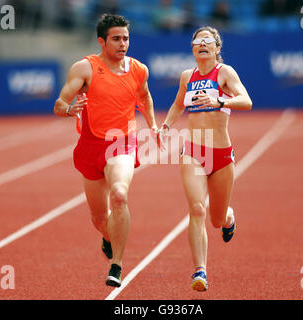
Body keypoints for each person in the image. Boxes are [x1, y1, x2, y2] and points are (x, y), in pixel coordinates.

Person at [53, 14, 159, 287]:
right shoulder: (85, 68)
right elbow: (60, 103)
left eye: (126, 38)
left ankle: (117, 265)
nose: (123, 43)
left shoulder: (139, 69)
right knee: (100, 219)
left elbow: (144, 96)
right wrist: (69, 109)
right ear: (102, 41)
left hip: (122, 142)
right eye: (116, 39)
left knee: (120, 196)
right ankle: (109, 236)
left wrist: (154, 126)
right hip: (90, 145)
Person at [159, 26, 252, 291]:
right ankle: (200, 272)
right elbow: (179, 104)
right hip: (193, 151)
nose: (202, 44)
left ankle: (229, 218)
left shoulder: (224, 73)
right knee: (197, 209)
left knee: (216, 218)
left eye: (207, 41)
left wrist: (221, 102)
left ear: (217, 48)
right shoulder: (186, 76)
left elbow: (247, 100)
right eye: (197, 41)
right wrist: (166, 126)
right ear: (192, 48)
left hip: (221, 153)